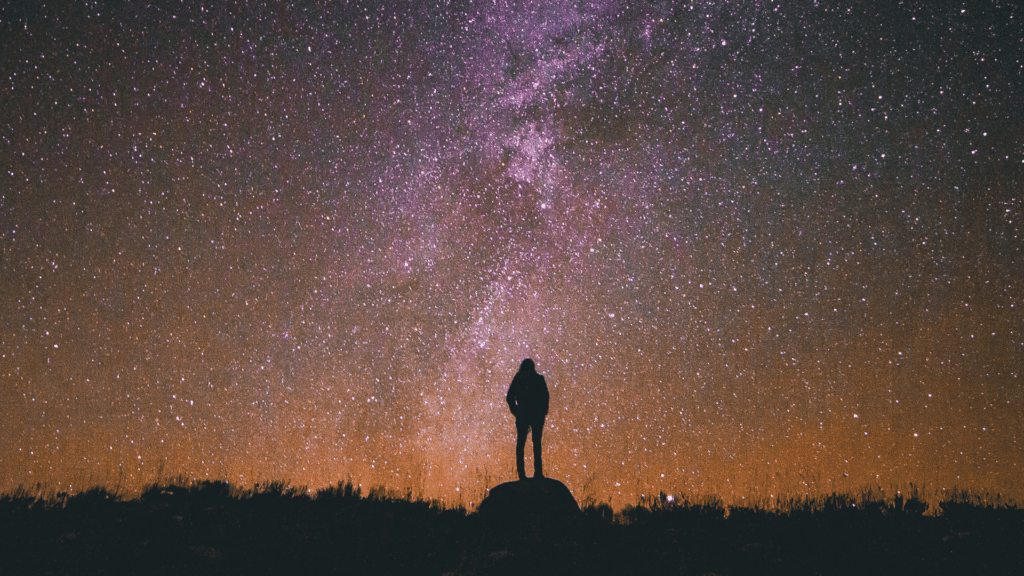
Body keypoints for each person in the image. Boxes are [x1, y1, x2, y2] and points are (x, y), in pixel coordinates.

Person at [506, 358, 549, 480]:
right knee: (534, 444)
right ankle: (536, 474)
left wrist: (517, 412)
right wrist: (542, 412)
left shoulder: (519, 379)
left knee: (523, 445)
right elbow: (545, 397)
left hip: (527, 415)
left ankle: (524, 475)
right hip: (532, 415)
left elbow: (509, 397)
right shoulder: (537, 379)